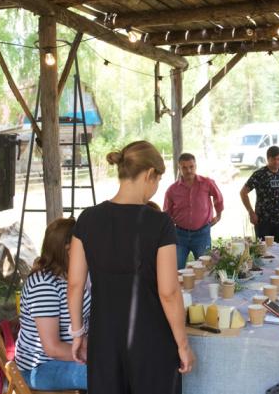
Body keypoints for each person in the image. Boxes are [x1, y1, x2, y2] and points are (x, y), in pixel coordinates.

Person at [67, 140, 195, 394]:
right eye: (158, 180)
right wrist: (183, 345)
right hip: (151, 340)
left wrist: (78, 333)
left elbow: (75, 284)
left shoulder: (87, 218)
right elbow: (169, 292)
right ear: (149, 174)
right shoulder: (160, 223)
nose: (156, 188)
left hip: (104, 340)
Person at [15, 217, 91, 391]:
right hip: (42, 366)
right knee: (107, 374)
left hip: (69, 356)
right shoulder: (44, 285)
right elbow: (53, 348)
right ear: (68, 249)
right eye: (84, 245)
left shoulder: (70, 276)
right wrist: (94, 355)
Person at [164, 152, 224, 269]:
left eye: (191, 166)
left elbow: (218, 197)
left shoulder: (207, 183)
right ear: (179, 168)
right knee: (176, 268)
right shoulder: (172, 190)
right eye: (184, 167)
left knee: (205, 269)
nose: (189, 170)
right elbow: (166, 212)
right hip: (180, 235)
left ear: (195, 166)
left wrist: (218, 215)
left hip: (202, 234)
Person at [240, 145, 279, 242]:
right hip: (263, 220)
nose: (276, 162)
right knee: (263, 248)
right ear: (268, 159)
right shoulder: (259, 174)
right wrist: (251, 212)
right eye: (273, 159)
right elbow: (243, 192)